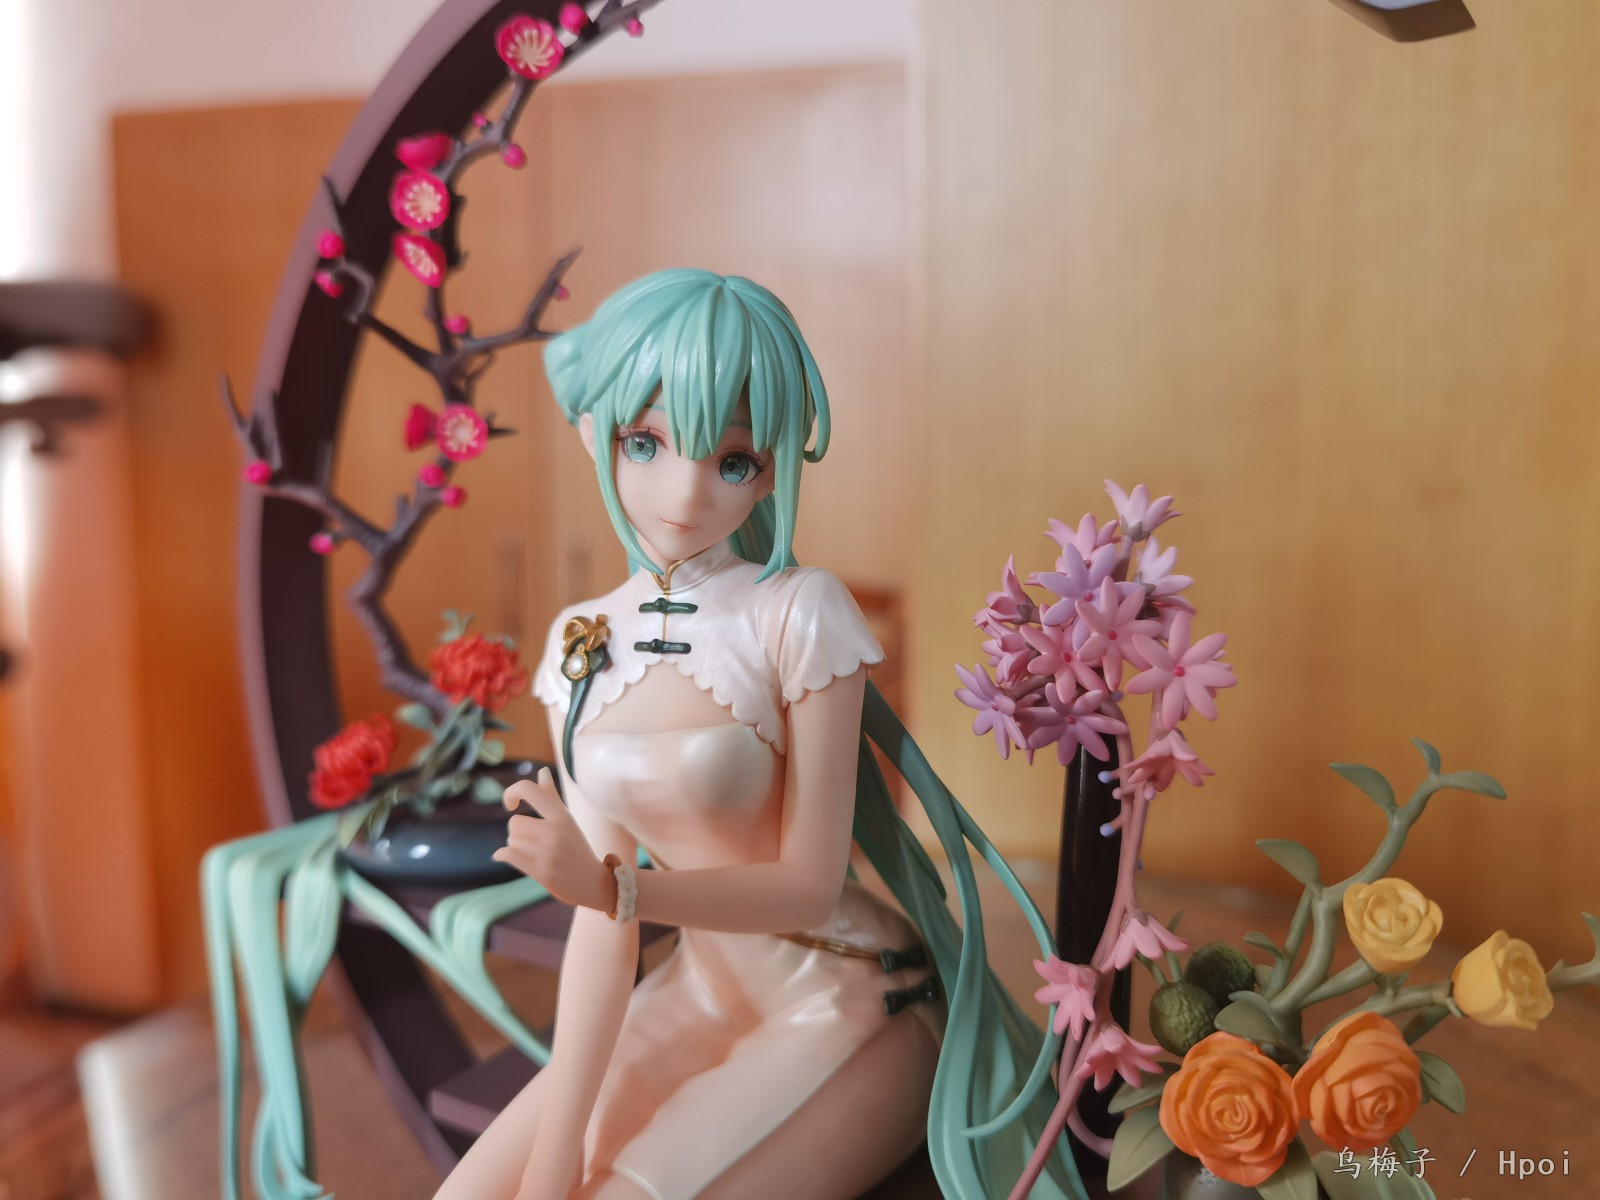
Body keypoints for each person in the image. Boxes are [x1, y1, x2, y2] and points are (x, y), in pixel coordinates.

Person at [433, 269, 1083, 1200]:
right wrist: (554, 1150)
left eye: (732, 460)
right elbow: (602, 931)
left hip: (852, 993)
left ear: (774, 467)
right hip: (696, 991)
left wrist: (616, 889)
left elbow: (806, 883)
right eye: (645, 443)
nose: (684, 491)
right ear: (593, 434)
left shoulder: (797, 612)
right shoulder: (580, 640)